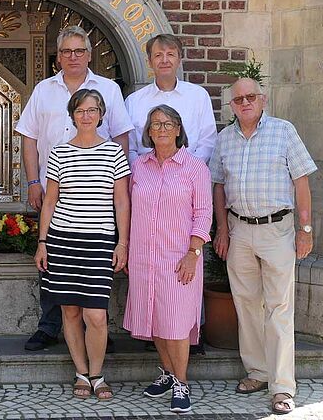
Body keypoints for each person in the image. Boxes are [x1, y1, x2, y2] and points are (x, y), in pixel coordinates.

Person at [16, 25, 132, 352]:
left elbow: (121, 136)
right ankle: (50, 325)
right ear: (58, 56)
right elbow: (29, 137)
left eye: (79, 51)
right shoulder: (43, 90)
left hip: (97, 194)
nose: (73, 57)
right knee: (52, 257)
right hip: (55, 188)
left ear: (89, 54)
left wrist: (119, 186)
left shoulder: (108, 89)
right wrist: (33, 181)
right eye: (66, 51)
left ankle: (96, 331)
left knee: (96, 263)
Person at [210, 78, 316, 415]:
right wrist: (223, 230)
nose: (244, 103)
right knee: (245, 304)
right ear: (232, 106)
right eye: (238, 99)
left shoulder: (284, 131)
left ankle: (283, 386)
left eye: (250, 97)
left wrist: (305, 229)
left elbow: (302, 183)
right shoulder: (225, 139)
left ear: (263, 99)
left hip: (278, 230)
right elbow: (218, 187)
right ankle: (257, 371)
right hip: (239, 230)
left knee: (279, 308)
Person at [34, 89, 130, 401]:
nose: (86, 116)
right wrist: (42, 242)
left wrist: (123, 242)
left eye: (92, 110)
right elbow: (50, 201)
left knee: (96, 315)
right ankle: (81, 373)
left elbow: (122, 202)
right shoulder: (59, 152)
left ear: (101, 114)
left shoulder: (114, 152)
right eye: (80, 110)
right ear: (72, 115)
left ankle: (98, 374)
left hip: (99, 241)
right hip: (62, 241)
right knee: (71, 311)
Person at [123, 104, 212, 413]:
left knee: (175, 323)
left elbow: (203, 215)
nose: (161, 128)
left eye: (167, 123)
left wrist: (193, 253)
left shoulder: (195, 167)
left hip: (179, 258)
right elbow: (127, 208)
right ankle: (168, 372)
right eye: (155, 124)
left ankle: (182, 383)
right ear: (148, 131)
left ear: (178, 129)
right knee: (155, 320)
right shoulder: (139, 167)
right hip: (144, 258)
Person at [125, 33, 216, 166]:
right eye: (158, 55)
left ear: (179, 60)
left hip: (188, 177)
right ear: (149, 62)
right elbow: (130, 148)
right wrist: (143, 171)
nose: (165, 60)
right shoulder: (133, 101)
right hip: (147, 179)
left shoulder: (198, 96)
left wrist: (188, 169)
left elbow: (208, 142)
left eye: (170, 54)